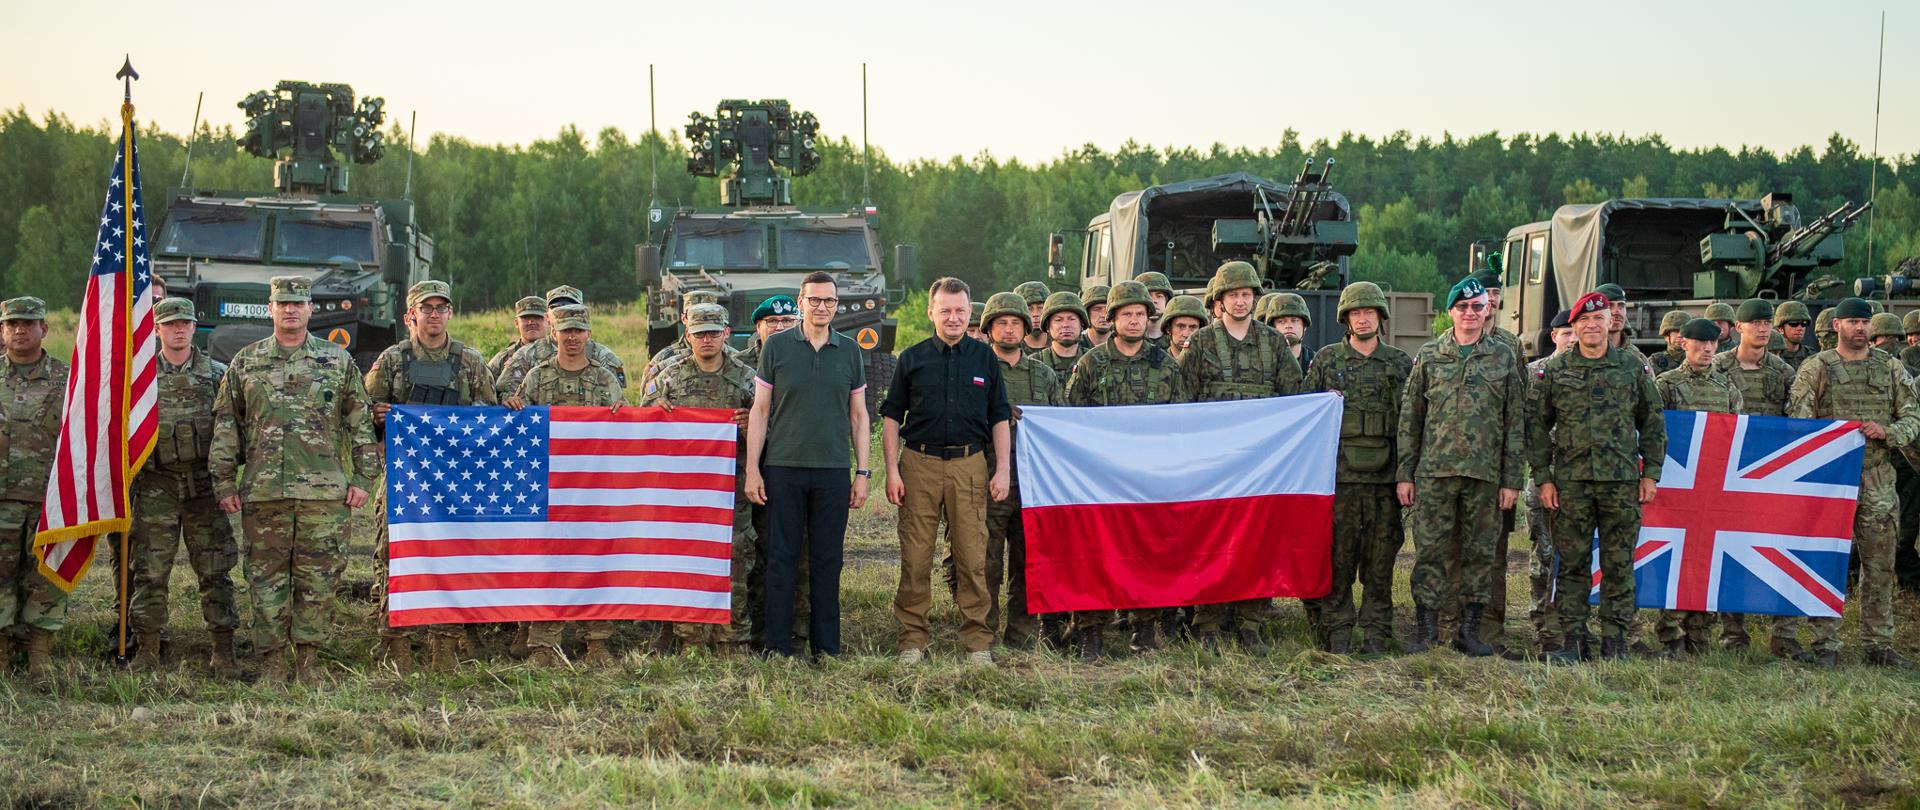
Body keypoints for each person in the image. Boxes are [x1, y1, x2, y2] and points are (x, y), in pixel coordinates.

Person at [211, 276, 379, 684]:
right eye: (282, 303)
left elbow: (360, 424)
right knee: (265, 578)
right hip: (264, 493)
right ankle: (271, 662)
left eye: (297, 303)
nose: (289, 310)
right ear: (270, 309)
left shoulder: (337, 362)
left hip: (324, 495)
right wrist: (223, 482)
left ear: (309, 310)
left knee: (319, 579)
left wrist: (362, 478)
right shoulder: (246, 363)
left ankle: (308, 660)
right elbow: (226, 426)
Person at [362, 280, 498, 673]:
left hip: (455, 483)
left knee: (451, 559)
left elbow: (488, 419)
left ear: (450, 313)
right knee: (392, 556)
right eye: (427, 308)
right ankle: (396, 642)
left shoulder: (470, 361)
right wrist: (378, 416)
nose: (434, 314)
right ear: (411, 315)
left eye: (441, 308)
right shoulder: (391, 361)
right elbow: (364, 411)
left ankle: (445, 643)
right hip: (405, 479)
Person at [880, 278, 1011, 666]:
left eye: (960, 311)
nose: (953, 317)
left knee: (972, 555)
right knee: (916, 556)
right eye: (945, 310)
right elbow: (890, 416)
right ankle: (912, 639)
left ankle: (977, 642)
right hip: (918, 464)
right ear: (931, 312)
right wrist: (891, 471)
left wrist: (1001, 469)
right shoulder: (913, 358)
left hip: (970, 465)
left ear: (970, 313)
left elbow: (999, 416)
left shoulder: (984, 359)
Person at [1531, 291, 1665, 663]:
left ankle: (1615, 641)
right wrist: (1544, 478)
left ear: (1611, 322)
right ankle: (1574, 641)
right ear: (1573, 327)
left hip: (1621, 483)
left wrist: (1651, 473)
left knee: (1618, 563)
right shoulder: (1554, 371)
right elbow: (1537, 427)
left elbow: (1652, 422)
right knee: (1572, 564)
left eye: (1599, 318)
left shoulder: (1631, 368)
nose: (1592, 325)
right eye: (1584, 321)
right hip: (1571, 485)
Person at [1786, 297, 1918, 668]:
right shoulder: (1817, 368)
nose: (1860, 328)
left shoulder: (1890, 368)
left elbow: (1912, 416)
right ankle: (1825, 641)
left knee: (1880, 564)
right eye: (1853, 322)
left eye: (1865, 322)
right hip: (1830, 481)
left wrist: (1888, 432)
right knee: (1825, 562)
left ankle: (1879, 644)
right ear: (1837, 326)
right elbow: (1799, 423)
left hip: (1877, 476)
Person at [746, 270, 871, 660]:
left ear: (837, 305)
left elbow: (858, 416)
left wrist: (862, 472)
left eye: (829, 301)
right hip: (783, 467)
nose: (822, 307)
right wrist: (753, 468)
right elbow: (761, 411)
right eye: (814, 300)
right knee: (781, 558)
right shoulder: (777, 348)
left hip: (832, 470)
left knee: (827, 560)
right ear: (800, 303)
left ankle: (826, 647)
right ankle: (777, 645)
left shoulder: (849, 350)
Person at [1396, 276, 1524, 657]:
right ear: (1450, 312)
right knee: (1430, 553)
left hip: (1484, 476)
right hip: (1434, 473)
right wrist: (1406, 473)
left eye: (1477, 307)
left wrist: (1511, 480)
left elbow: (1514, 422)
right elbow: (1411, 418)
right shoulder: (1431, 355)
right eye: (1463, 307)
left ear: (1488, 311)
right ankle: (1426, 631)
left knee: (1480, 554)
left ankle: (1470, 631)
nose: (1470, 313)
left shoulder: (1503, 357)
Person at [1178, 261, 1303, 652]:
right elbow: (1184, 402)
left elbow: (1295, 400)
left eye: (1247, 294)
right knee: (1211, 543)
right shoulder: (1200, 343)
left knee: (1256, 543)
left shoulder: (1272, 344)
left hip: (1260, 467)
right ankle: (1208, 622)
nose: (1241, 300)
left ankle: (1250, 622)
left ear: (1255, 298)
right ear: (1219, 301)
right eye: (1233, 294)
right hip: (1213, 466)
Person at [1065, 281, 1191, 658]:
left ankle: (1144, 631)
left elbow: (1180, 421)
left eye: (1140, 314)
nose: (1134, 321)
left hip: (1148, 479)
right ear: (1113, 319)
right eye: (1126, 315)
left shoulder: (1165, 365)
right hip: (1100, 479)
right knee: (1095, 554)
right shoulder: (1091, 363)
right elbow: (1069, 419)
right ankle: (1091, 632)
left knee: (1147, 554)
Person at [502, 303, 625, 666]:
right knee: (547, 560)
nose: (572, 337)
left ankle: (597, 643)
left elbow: (623, 428)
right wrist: (513, 409)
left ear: (589, 334)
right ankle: (543, 644)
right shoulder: (537, 376)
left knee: (596, 560)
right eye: (565, 330)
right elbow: (519, 428)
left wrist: (626, 416)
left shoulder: (605, 380)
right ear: (553, 333)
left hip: (594, 487)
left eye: (579, 330)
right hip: (548, 488)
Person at [127, 298, 239, 676]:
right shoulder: (138, 379)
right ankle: (147, 648)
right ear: (156, 330)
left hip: (203, 487)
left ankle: (223, 650)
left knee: (215, 570)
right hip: (156, 485)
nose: (178, 330)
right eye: (170, 324)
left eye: (185, 323)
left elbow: (234, 431)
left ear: (194, 328)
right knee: (150, 571)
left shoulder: (217, 374)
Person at [1302, 282, 1411, 654]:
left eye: (1369, 313)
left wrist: (1406, 475)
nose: (1363, 319)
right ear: (1345, 319)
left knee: (1380, 563)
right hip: (1340, 480)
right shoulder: (1327, 361)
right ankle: (1338, 632)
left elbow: (1411, 424)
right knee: (1339, 560)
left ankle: (1378, 632)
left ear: (1380, 317)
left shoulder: (1399, 364)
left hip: (1385, 482)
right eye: (1355, 313)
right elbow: (1303, 415)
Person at [641, 303, 756, 655]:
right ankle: (690, 635)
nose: (706, 339)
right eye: (699, 333)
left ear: (726, 333)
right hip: (682, 492)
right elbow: (640, 428)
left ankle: (731, 639)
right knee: (685, 558)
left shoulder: (746, 377)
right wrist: (656, 414)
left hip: (731, 488)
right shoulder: (669, 378)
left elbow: (771, 426)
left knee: (735, 558)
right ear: (687, 335)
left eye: (713, 332)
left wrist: (752, 424)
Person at [1710, 299, 1808, 661]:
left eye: (1767, 323)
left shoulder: (1783, 372)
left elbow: (1799, 420)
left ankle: (1784, 635)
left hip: (1774, 477)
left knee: (1781, 550)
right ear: (1739, 327)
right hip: (1729, 475)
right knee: (1731, 553)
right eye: (1755, 323)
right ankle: (1732, 633)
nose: (1763, 328)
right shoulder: (1719, 367)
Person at [1649, 318, 1742, 656]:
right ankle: (1670, 631)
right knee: (1676, 558)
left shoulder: (1726, 388)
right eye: (1700, 343)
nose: (1707, 349)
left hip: (1713, 487)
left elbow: (1737, 435)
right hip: (1677, 486)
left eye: (1713, 344)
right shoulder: (1667, 385)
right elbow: (1654, 431)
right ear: (1683, 344)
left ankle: (1700, 632)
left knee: (1705, 558)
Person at [978, 292, 1063, 649]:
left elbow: (1060, 424)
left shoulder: (1043, 374)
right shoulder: (976, 369)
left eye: (1016, 323)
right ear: (989, 329)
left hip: (1034, 483)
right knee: (986, 562)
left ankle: (1022, 636)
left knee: (1028, 563)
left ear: (1026, 328)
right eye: (1002, 323)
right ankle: (983, 633)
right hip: (987, 478)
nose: (1009, 330)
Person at [0, 297, 69, 679]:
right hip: (1, 498)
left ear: (44, 328)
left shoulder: (68, 380)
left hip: (51, 500)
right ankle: (3, 652)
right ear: (2, 331)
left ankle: (40, 652)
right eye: (12, 324)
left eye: (28, 323)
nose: (20, 330)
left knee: (46, 577)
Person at [735, 294, 804, 649]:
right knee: (750, 554)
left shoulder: (807, 358)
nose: (779, 328)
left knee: (789, 551)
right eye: (771, 323)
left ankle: (794, 630)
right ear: (758, 327)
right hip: (745, 473)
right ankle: (748, 628)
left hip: (792, 469)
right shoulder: (737, 365)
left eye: (787, 322)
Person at [1525, 308, 1576, 654]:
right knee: (1543, 551)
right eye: (1566, 333)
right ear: (1554, 336)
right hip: (1544, 473)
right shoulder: (1534, 373)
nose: (1572, 338)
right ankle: (1540, 620)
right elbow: (1529, 425)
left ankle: (1568, 623)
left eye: (1577, 332)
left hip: (1578, 477)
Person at [494, 285, 628, 394]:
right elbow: (507, 398)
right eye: (556, 307)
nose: (564, 312)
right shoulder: (526, 355)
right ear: (547, 316)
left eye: (571, 307)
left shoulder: (602, 356)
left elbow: (616, 400)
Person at [639, 289, 727, 393]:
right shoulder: (664, 358)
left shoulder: (735, 357)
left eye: (710, 315)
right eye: (693, 314)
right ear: (683, 318)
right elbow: (647, 400)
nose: (701, 320)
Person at [486, 296, 549, 379]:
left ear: (548, 321)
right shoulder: (502, 359)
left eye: (538, 317)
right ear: (516, 323)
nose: (531, 322)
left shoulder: (560, 354)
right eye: (526, 318)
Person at [1035, 291, 1089, 381]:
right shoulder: (1035, 364)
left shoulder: (1095, 361)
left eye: (1071, 319)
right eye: (1058, 320)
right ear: (1048, 326)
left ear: (1082, 324)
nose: (1065, 325)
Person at [1594, 283, 1649, 363]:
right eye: (1610, 306)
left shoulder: (1638, 359)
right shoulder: (1582, 355)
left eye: (1621, 306)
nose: (1616, 311)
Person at [1270, 293, 1317, 371]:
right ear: (1273, 327)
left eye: (1294, 321)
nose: (1288, 325)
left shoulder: (1317, 362)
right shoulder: (1261, 362)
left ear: (1304, 326)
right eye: (1281, 321)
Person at [1160, 295, 1208, 360]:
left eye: (1192, 327)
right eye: (1181, 326)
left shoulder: (1209, 363)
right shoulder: (1157, 364)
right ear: (1168, 328)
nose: (1186, 334)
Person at [1772, 300, 1817, 371]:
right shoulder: (1771, 356)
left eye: (1804, 324)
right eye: (1794, 324)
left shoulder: (1812, 357)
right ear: (1780, 328)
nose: (1800, 328)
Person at [1134, 272, 1174, 349]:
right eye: (1148, 295)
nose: (1154, 300)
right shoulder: (1130, 337)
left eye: (1159, 296)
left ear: (1167, 301)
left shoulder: (1176, 338)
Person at [1647, 310, 1691, 376]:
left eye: (1683, 331)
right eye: (1675, 331)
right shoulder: (1654, 361)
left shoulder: (1696, 360)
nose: (1680, 335)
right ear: (1666, 336)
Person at [1014, 281, 1051, 353]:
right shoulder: (1009, 348)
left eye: (1040, 308)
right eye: (1029, 309)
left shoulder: (1061, 346)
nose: (1035, 314)